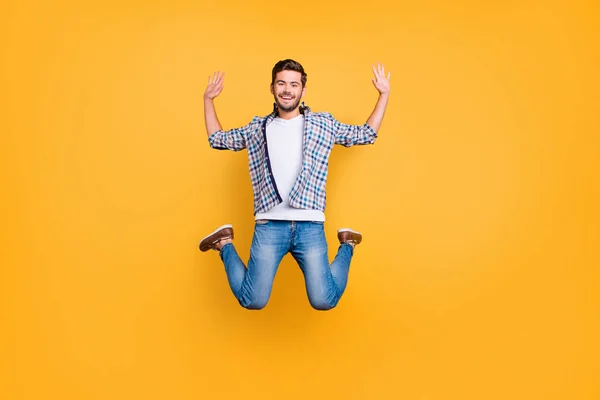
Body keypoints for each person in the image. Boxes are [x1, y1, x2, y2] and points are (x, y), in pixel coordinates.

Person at [199, 59, 390, 310]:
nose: (287, 89)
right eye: (281, 83)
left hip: (310, 224)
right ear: (272, 88)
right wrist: (208, 100)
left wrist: (384, 94)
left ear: (302, 90)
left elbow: (366, 134)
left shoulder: (323, 124)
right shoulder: (258, 127)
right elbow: (217, 140)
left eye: (293, 84)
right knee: (252, 300)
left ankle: (348, 245)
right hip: (269, 225)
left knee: (323, 300)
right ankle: (224, 243)